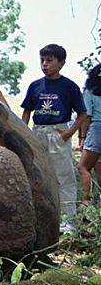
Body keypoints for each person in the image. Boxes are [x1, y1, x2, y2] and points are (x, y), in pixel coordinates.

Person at [21, 44, 87, 232]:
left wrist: (69, 133)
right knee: (38, 175)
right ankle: (42, 219)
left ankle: (67, 221)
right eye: (42, 60)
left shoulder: (69, 86)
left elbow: (82, 113)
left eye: (49, 61)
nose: (44, 64)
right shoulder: (35, 86)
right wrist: (23, 132)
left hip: (58, 132)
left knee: (63, 177)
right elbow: (27, 111)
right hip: (38, 132)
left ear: (61, 63)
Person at [77, 64, 101, 206]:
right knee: (99, 167)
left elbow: (86, 116)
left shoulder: (89, 91)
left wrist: (82, 138)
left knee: (83, 167)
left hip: (97, 128)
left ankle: (85, 201)